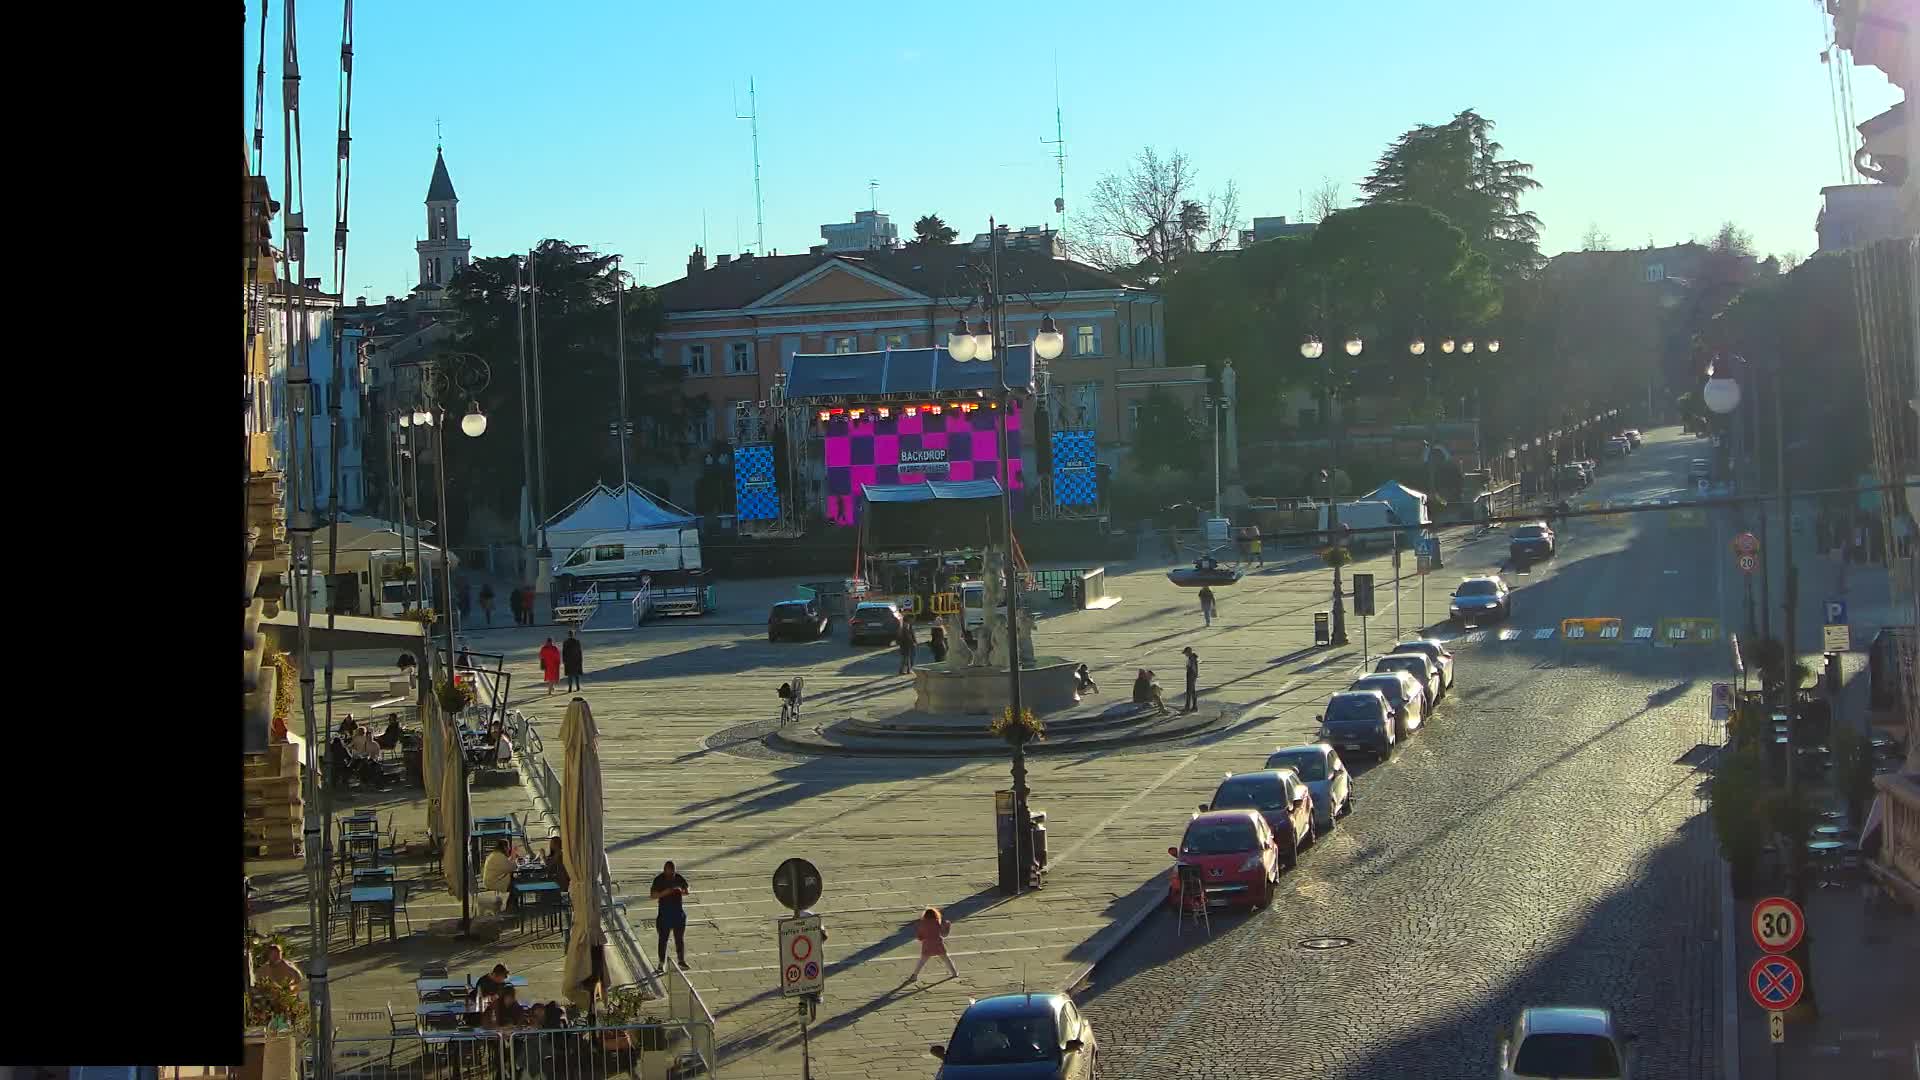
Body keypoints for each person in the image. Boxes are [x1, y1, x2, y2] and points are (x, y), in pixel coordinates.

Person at [651, 860, 692, 970]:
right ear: (664, 871)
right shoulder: (659, 880)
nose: (671, 875)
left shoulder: (678, 878)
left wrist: (681, 891)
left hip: (678, 914)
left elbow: (687, 890)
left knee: (679, 939)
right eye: (669, 873)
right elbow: (653, 895)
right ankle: (661, 963)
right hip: (664, 915)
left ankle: (681, 960)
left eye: (672, 873)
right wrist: (665, 892)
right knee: (663, 940)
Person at [907, 907, 958, 983]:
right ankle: (954, 973)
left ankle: (914, 975)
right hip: (938, 943)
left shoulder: (922, 923)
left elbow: (920, 937)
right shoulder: (938, 922)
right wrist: (948, 926)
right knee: (946, 959)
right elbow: (944, 934)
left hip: (927, 944)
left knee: (922, 961)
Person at [482, 839, 516, 912]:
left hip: (493, 880)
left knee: (514, 882)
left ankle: (510, 906)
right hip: (494, 882)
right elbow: (511, 867)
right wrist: (513, 855)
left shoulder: (496, 855)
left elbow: (506, 864)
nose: (509, 849)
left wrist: (512, 857)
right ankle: (510, 908)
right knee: (515, 886)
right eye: (508, 847)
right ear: (504, 847)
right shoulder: (499, 856)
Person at [1182, 647, 1199, 713]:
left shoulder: (1192, 658)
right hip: (1191, 676)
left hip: (1191, 676)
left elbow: (1194, 669)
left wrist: (1193, 677)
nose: (1185, 654)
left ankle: (1189, 707)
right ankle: (1192, 707)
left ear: (1188, 652)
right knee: (1191, 692)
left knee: (1190, 692)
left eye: (1185, 653)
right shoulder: (1191, 658)